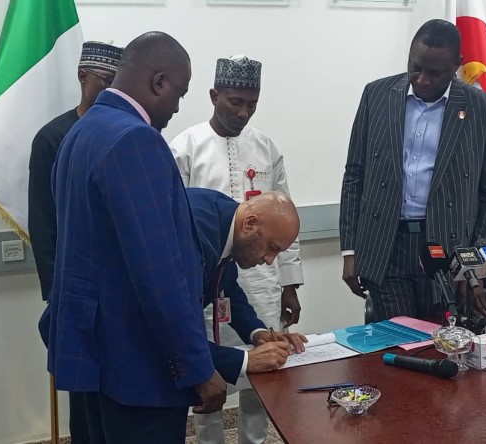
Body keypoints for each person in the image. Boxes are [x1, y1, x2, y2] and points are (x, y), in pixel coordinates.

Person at [44, 32, 226, 444]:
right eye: (179, 93)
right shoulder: (136, 140)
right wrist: (197, 367)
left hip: (90, 357)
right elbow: (159, 273)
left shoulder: (80, 132)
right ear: (158, 82)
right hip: (138, 368)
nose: (177, 107)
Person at [170, 55, 304, 444]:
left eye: (251, 104)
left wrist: (289, 283)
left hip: (252, 279)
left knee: (264, 374)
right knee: (206, 375)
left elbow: (284, 220)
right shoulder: (186, 146)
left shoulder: (266, 146)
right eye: (235, 102)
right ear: (214, 96)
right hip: (197, 277)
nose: (243, 112)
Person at [340, 19, 486, 322]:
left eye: (435, 73)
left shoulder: (484, 110)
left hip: (447, 250)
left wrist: (476, 263)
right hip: (385, 246)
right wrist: (349, 251)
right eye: (415, 67)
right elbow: (355, 175)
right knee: (396, 340)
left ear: (456, 66)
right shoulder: (376, 95)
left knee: (443, 341)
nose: (422, 79)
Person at [28, 41, 122, 444]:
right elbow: (43, 222)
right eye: (105, 81)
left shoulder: (128, 133)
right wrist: (57, 293)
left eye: (118, 82)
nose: (111, 90)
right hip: (73, 291)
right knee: (83, 397)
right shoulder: (53, 138)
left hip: (117, 292)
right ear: (83, 77)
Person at [187, 187, 307, 386]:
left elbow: (228, 289)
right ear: (250, 224)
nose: (270, 260)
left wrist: (257, 333)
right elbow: (173, 324)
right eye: (272, 247)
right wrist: (245, 360)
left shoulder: (227, 219)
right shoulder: (196, 231)